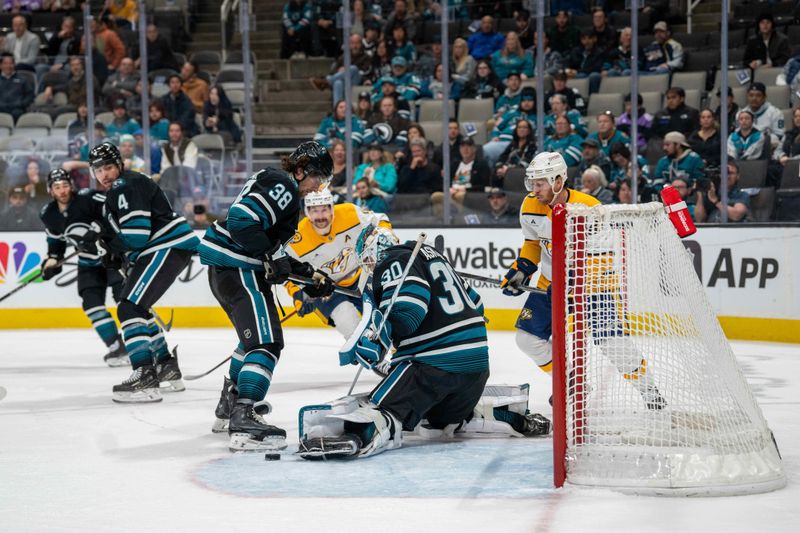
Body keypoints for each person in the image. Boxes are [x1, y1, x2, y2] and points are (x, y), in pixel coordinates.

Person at [297, 225, 548, 459]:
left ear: (375, 250)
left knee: (383, 409)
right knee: (436, 423)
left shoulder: (393, 260)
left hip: (432, 363)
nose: (371, 267)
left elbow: (409, 309)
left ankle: (357, 439)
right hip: (476, 367)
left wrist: (377, 340)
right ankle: (506, 418)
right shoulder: (433, 257)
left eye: (369, 260)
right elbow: (477, 305)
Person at [197, 140, 335, 449]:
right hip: (238, 268)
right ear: (300, 171)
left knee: (252, 340)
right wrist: (274, 256)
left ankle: (229, 404)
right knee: (267, 341)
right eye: (317, 178)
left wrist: (310, 278)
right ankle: (244, 415)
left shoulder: (282, 188)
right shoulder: (282, 184)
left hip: (230, 268)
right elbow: (241, 222)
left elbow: (274, 253)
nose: (318, 188)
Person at [501, 152, 666, 408]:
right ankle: (571, 382)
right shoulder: (529, 204)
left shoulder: (588, 208)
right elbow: (533, 243)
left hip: (594, 284)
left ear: (558, 181)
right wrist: (522, 268)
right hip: (550, 281)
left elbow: (603, 256)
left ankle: (651, 393)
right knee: (527, 338)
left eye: (540, 182)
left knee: (611, 341)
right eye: (532, 182)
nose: (535, 189)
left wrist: (568, 281)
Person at [89, 141, 199, 403]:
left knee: (129, 308)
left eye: (108, 167)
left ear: (120, 165)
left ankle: (144, 376)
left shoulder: (125, 185)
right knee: (140, 310)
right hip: (164, 248)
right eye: (98, 169)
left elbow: (136, 237)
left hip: (166, 246)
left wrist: (108, 242)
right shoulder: (116, 192)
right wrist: (112, 251)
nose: (104, 174)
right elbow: (129, 242)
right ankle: (165, 366)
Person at [38, 169, 128, 366]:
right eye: (57, 187)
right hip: (88, 263)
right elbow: (55, 248)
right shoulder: (49, 214)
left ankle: (142, 345)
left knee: (125, 302)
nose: (62, 191)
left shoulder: (88, 198)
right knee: (91, 304)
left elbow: (112, 210)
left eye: (64, 185)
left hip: (111, 257)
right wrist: (51, 264)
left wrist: (96, 230)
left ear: (71, 185)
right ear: (50, 190)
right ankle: (116, 346)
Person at [286, 188, 391, 340]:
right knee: (347, 321)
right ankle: (369, 355)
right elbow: (290, 272)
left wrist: (385, 236)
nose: (320, 216)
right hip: (327, 288)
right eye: (315, 211)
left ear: (332, 208)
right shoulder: (297, 239)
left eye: (324, 209)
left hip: (361, 275)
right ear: (307, 211)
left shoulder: (350, 212)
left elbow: (380, 220)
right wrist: (298, 294)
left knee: (385, 314)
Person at [432, 136, 492, 214]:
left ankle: (458, 220)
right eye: (462, 146)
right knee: (435, 196)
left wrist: (465, 189)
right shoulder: (455, 164)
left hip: (468, 194)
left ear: (474, 149)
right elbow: (445, 182)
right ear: (459, 149)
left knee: (459, 196)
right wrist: (448, 189)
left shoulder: (481, 165)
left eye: (468, 146)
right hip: (452, 192)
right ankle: (441, 221)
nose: (465, 149)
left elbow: (483, 186)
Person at [738, 82, 785, 148]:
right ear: (747, 97)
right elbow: (737, 135)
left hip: (768, 149)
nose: (754, 98)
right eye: (751, 95)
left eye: (758, 95)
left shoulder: (775, 113)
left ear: (764, 97)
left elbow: (780, 135)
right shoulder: (741, 114)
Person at [495, 118, 537, 185]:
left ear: (529, 131)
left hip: (521, 174)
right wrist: (499, 168)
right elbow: (502, 157)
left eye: (524, 127)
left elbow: (526, 163)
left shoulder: (532, 146)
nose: (521, 129)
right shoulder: (513, 144)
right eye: (519, 127)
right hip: (505, 171)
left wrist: (508, 171)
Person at [565, 28, 606, 94]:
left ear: (594, 39)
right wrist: (568, 70)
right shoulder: (576, 51)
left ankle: (592, 97)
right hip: (579, 73)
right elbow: (570, 64)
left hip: (591, 73)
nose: (586, 42)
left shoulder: (600, 52)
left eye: (589, 38)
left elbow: (596, 68)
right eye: (584, 39)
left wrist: (577, 72)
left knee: (592, 75)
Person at [0, 52, 34, 120]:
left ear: (14, 65)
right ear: (1, 65)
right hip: (1, 109)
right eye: (5, 63)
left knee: (18, 114)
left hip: (17, 110)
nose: (8, 66)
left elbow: (30, 95)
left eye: (11, 63)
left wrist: (21, 104)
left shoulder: (23, 79)